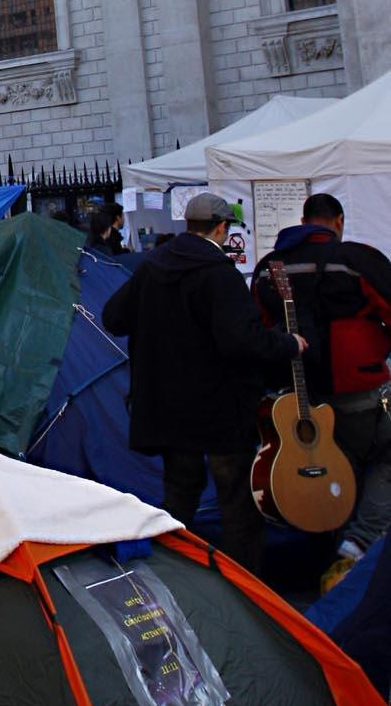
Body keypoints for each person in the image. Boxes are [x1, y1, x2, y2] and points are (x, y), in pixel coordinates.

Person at [101, 189, 304, 575]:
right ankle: (243, 586)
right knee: (237, 502)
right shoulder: (219, 273)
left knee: (179, 497)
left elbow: (113, 317)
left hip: (168, 408)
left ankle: (176, 576)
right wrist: (287, 343)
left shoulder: (153, 266)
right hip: (220, 410)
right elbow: (240, 340)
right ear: (222, 228)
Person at [251, 192, 391, 578]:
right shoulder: (356, 260)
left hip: (299, 402)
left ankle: (322, 554)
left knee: (321, 466)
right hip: (358, 391)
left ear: (303, 219)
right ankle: (358, 543)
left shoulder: (267, 268)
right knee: (384, 456)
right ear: (339, 222)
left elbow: (260, 334)